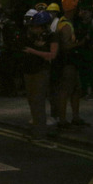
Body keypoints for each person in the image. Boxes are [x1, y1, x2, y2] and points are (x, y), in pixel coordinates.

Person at [21, 11, 59, 140]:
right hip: (29, 70)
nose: (34, 29)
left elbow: (52, 55)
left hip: (40, 71)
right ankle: (36, 127)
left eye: (36, 26)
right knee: (32, 101)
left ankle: (40, 131)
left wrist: (33, 51)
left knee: (38, 101)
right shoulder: (31, 36)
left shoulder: (52, 37)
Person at [54, 0, 87, 129]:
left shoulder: (68, 22)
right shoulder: (66, 25)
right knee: (66, 90)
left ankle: (75, 117)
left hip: (71, 62)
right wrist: (81, 43)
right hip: (67, 63)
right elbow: (65, 46)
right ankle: (63, 119)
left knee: (75, 90)